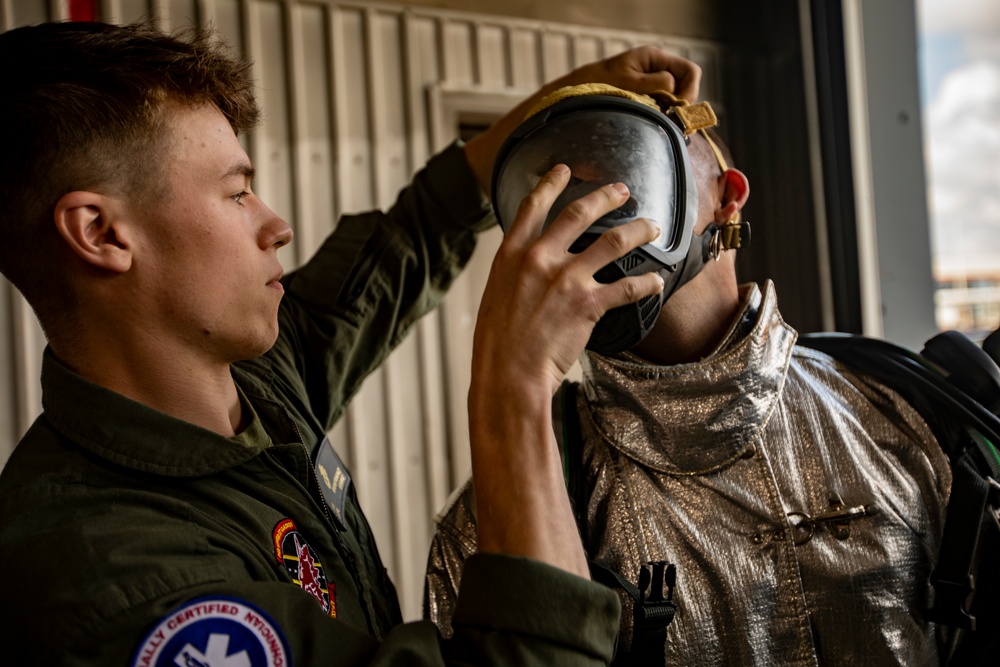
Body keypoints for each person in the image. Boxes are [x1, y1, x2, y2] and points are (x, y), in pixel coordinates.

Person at [0, 20, 701, 666]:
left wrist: (565, 102)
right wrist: (513, 386)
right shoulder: (114, 579)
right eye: (237, 192)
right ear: (101, 233)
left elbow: (409, 238)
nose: (276, 225)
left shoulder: (255, 380)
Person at [425, 85, 952, 665]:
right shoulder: (500, 515)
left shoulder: (901, 416)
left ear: (728, 199)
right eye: (560, 197)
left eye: (627, 179)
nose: (592, 219)